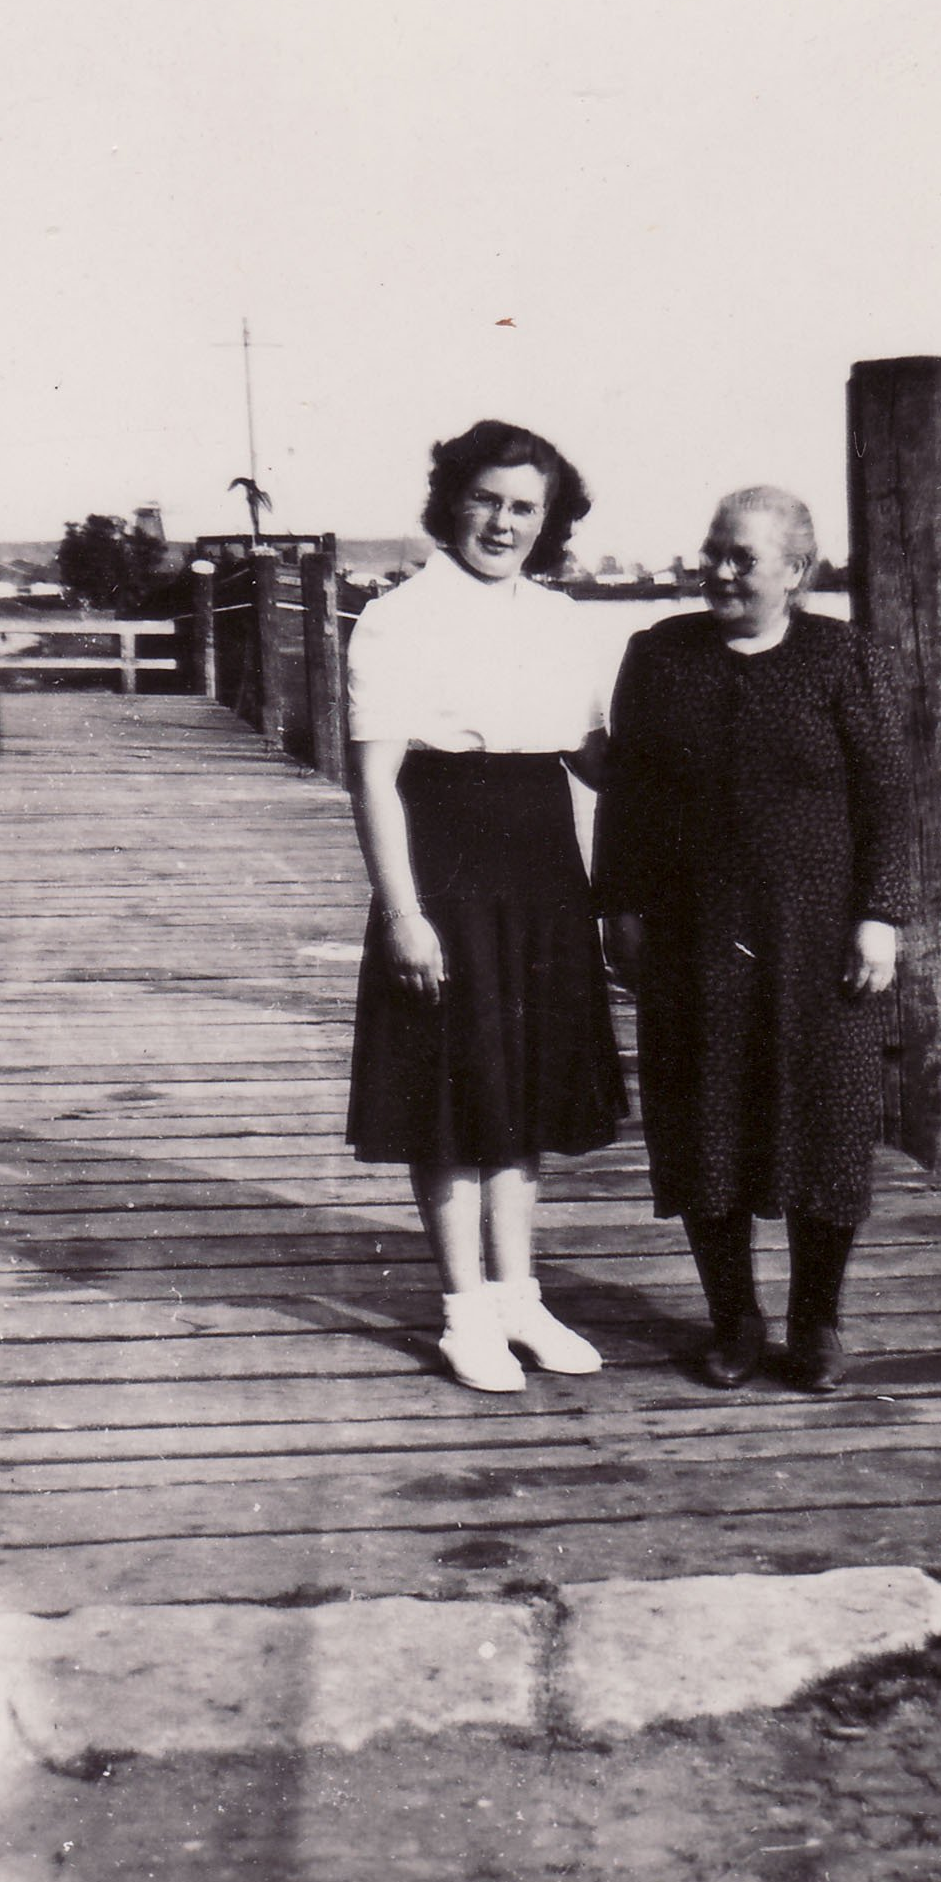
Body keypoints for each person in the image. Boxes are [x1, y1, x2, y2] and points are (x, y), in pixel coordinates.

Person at [597, 486, 911, 1392]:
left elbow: (888, 796)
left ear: (795, 571)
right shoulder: (658, 654)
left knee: (829, 1127)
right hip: (693, 934)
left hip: (819, 940)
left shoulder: (843, 657)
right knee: (703, 1124)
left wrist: (880, 914)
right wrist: (619, 907)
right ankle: (733, 1318)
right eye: (713, 551)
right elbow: (628, 796)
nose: (721, 571)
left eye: (743, 557)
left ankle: (815, 1321)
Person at [346, 419, 625, 1393]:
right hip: (445, 867)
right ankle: (465, 1312)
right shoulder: (398, 617)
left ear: (549, 521)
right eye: (486, 500)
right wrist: (403, 915)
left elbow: (594, 759)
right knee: (452, 1095)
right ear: (450, 502)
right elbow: (373, 781)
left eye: (524, 508)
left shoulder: (560, 618)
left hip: (543, 870)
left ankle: (518, 1298)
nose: (503, 524)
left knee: (523, 1087)